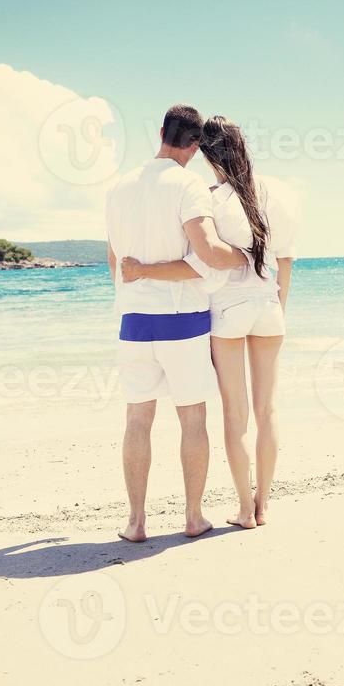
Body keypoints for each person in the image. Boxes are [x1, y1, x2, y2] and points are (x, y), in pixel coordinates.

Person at [122, 115, 297, 530]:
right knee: (268, 409)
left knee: (236, 415)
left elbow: (204, 259)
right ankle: (264, 504)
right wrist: (278, 308)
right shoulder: (277, 193)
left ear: (206, 152)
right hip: (269, 309)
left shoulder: (209, 197)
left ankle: (243, 510)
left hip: (227, 315)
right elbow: (285, 261)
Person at [106, 104, 247, 543]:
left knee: (136, 420)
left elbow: (115, 259)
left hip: (133, 320)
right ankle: (193, 516)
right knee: (192, 421)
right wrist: (243, 259)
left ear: (161, 131)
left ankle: (136, 521)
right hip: (181, 320)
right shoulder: (188, 185)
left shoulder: (119, 186)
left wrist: (136, 281)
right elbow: (205, 250)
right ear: (195, 145)